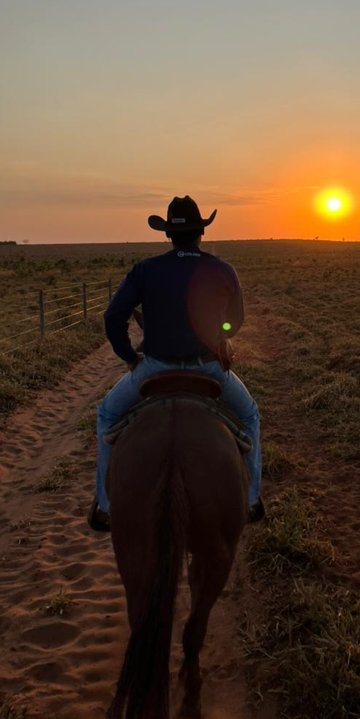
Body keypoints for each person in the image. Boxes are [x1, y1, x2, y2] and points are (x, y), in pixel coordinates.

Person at [88, 196, 264, 531]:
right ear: (201, 234)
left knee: (107, 415)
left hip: (154, 367)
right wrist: (221, 333)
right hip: (209, 368)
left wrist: (130, 358)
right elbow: (235, 321)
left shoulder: (145, 270)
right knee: (250, 416)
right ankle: (251, 501)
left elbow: (113, 317)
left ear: (168, 235)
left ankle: (107, 506)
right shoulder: (223, 270)